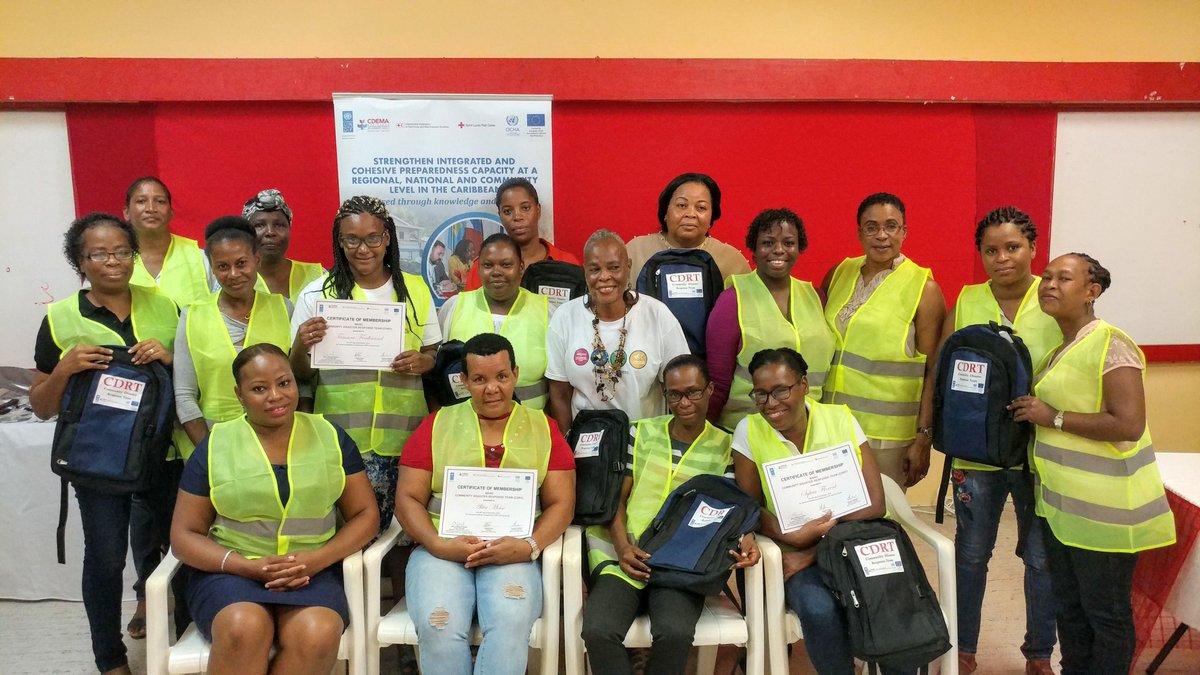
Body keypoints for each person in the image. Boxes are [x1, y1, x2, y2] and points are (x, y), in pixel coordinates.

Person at [1009, 253, 1175, 675]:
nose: (1049, 284)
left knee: (1105, 613)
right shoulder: (1061, 347)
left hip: (1106, 516)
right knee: (1070, 608)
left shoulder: (1111, 344)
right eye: (1046, 277)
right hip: (1061, 510)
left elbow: (1129, 424)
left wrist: (1054, 417)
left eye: (1064, 278)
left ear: (1091, 292)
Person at [29, 213, 179, 675]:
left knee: (181, 551)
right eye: (98, 253)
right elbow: (40, 405)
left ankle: (188, 640)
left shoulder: (165, 305)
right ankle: (109, 659)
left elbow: (188, 382)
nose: (112, 262)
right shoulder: (59, 318)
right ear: (80, 261)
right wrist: (65, 368)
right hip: (100, 461)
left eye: (121, 252)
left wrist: (169, 357)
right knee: (106, 557)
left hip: (166, 453)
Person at [170, 344, 379, 675]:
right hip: (231, 572)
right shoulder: (217, 443)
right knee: (245, 627)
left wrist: (318, 560)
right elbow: (183, 536)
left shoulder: (331, 436)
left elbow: (366, 516)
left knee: (318, 633)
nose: (275, 396)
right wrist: (246, 567)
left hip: (311, 570)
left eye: (284, 383)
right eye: (258, 388)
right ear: (239, 395)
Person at [395, 333, 575, 675]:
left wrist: (529, 545)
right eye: (479, 379)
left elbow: (562, 504)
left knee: (510, 623)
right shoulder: (437, 425)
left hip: (512, 551)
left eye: (501, 377)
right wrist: (438, 544)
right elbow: (407, 500)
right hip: (441, 551)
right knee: (440, 624)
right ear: (464, 381)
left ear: (516, 375)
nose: (491, 388)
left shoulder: (543, 428)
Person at [582, 355, 759, 675]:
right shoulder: (640, 433)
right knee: (598, 630)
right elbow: (615, 502)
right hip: (625, 553)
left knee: (675, 632)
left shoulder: (725, 446)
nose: (684, 401)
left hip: (684, 562)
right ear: (665, 395)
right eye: (675, 394)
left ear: (710, 391)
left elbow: (733, 511)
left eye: (693, 392)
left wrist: (748, 538)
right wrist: (623, 548)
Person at [940, 207, 1060, 675]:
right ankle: (963, 650)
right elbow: (943, 372)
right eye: (991, 250)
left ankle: (1038, 654)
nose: (1002, 258)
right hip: (979, 454)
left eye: (1012, 247)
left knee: (1040, 558)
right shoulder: (967, 299)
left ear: (1032, 248)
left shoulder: (1053, 298)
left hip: (1039, 453)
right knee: (970, 554)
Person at [732, 348, 895, 675]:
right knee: (819, 609)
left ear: (804, 384)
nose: (771, 403)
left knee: (891, 600)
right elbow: (749, 507)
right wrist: (786, 533)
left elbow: (875, 503)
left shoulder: (841, 419)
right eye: (760, 394)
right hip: (793, 551)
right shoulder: (749, 431)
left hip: (852, 547)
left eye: (781, 390)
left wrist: (813, 548)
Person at [291, 195, 441, 530]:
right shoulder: (316, 295)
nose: (363, 249)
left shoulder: (414, 290)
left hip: (404, 437)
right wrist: (302, 344)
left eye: (373, 238)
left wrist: (423, 362)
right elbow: (299, 373)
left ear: (387, 237)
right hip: (339, 440)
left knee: (405, 535)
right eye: (352, 240)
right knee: (347, 533)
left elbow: (434, 356)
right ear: (339, 241)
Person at [821, 192, 946, 488]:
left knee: (882, 520)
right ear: (859, 232)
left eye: (891, 226)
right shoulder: (839, 273)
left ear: (904, 232)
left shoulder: (923, 289)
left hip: (887, 438)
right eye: (871, 227)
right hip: (831, 426)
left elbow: (933, 372)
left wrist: (923, 437)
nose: (882, 235)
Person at [546, 230, 690, 431]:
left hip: (646, 442)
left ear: (628, 267)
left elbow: (681, 386)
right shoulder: (565, 317)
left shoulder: (657, 315)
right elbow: (559, 393)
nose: (604, 277)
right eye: (594, 269)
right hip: (587, 445)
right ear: (585, 272)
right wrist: (567, 444)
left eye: (614, 268)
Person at [706, 208, 836, 430]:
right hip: (747, 432)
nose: (779, 250)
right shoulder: (732, 300)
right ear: (754, 251)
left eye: (788, 243)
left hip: (808, 431)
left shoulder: (817, 297)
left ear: (799, 248)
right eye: (768, 243)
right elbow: (718, 383)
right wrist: (706, 433)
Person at [175, 216, 292, 448]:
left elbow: (298, 381)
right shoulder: (193, 316)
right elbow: (184, 396)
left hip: (279, 444)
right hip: (215, 442)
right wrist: (210, 455)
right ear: (212, 267)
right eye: (222, 266)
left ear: (256, 260)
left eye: (241, 263)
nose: (233, 274)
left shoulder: (284, 308)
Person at [440, 233, 550, 409]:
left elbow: (561, 386)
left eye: (506, 265)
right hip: (466, 427)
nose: (496, 272)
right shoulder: (453, 308)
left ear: (521, 267)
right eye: (488, 265)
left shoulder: (547, 311)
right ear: (478, 268)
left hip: (529, 427)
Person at [625, 172, 750, 283]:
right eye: (681, 205)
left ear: (711, 217)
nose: (690, 214)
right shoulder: (635, 251)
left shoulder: (731, 260)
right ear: (665, 212)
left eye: (701, 207)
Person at [463, 177, 579, 291]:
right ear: (500, 215)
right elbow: (470, 309)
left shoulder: (567, 262)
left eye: (525, 208)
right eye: (508, 211)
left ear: (538, 210)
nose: (517, 217)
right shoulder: (484, 266)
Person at [124, 176, 213, 307]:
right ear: (126, 213)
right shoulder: (114, 260)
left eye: (160, 201)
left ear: (171, 213)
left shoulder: (201, 258)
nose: (151, 208)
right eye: (141, 201)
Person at [242, 188, 325, 302]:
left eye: (279, 225)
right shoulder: (237, 280)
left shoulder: (319, 276)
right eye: (259, 225)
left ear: (289, 229)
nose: (270, 232)